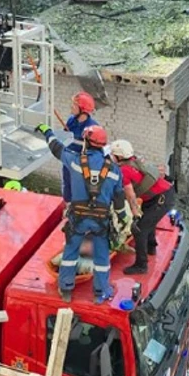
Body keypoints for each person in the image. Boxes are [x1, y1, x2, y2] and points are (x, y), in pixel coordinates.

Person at [37, 123, 128, 304]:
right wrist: (123, 218)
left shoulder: (75, 160)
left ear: (86, 142)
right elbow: (119, 198)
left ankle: (66, 289)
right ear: (103, 145)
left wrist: (47, 131)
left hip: (78, 218)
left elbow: (56, 148)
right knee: (101, 257)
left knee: (71, 252)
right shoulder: (114, 170)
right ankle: (100, 293)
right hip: (101, 220)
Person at [109, 139, 174, 274]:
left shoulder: (124, 171)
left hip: (160, 199)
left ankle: (141, 265)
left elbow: (131, 196)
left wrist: (134, 214)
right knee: (148, 222)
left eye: (113, 155)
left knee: (139, 229)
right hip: (161, 195)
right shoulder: (135, 161)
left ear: (119, 157)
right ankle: (151, 247)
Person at [56, 92, 100, 202]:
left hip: (82, 165)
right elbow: (66, 137)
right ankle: (67, 205)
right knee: (67, 188)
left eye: (75, 105)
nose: (71, 107)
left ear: (82, 110)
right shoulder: (71, 120)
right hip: (68, 162)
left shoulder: (92, 128)